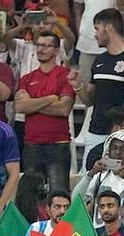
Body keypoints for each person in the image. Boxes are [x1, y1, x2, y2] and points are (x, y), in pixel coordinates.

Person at [75, 8, 124, 171]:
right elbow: (89, 101)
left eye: (97, 28)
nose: (95, 34)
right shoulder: (99, 61)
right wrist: (77, 85)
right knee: (90, 180)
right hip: (96, 131)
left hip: (122, 134)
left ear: (108, 27)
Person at [16, 30, 75, 194]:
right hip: (31, 145)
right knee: (31, 198)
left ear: (56, 50)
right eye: (39, 45)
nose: (40, 49)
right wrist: (50, 99)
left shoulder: (65, 76)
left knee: (59, 195)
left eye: (46, 46)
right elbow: (20, 107)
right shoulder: (27, 78)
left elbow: (64, 109)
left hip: (58, 145)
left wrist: (32, 103)